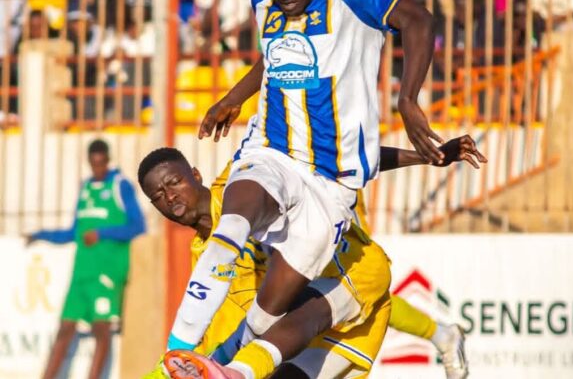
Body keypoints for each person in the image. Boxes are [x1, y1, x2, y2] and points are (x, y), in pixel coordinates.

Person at [165, 0, 443, 373]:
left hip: (331, 187)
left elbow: (419, 19)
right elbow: (273, 56)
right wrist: (235, 98)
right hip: (270, 151)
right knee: (231, 223)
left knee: (265, 315)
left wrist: (407, 98)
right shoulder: (262, 2)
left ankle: (218, 365)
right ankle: (175, 350)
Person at [139, 136, 485, 378]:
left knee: (316, 298)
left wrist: (428, 156)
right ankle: (443, 334)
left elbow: (341, 159)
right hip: (309, 326)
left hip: (352, 267)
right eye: (158, 195)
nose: (170, 196)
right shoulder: (206, 266)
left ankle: (441, 334)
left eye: (174, 183)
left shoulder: (241, 181)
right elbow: (225, 334)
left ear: (195, 175)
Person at [26, 139, 145, 379]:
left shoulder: (120, 185)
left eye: (101, 163)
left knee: (101, 329)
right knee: (64, 330)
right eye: (93, 163)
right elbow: (74, 232)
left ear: (107, 160)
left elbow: (137, 226)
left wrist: (102, 233)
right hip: (81, 273)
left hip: (106, 272)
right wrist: (41, 235)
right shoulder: (86, 188)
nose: (97, 167)